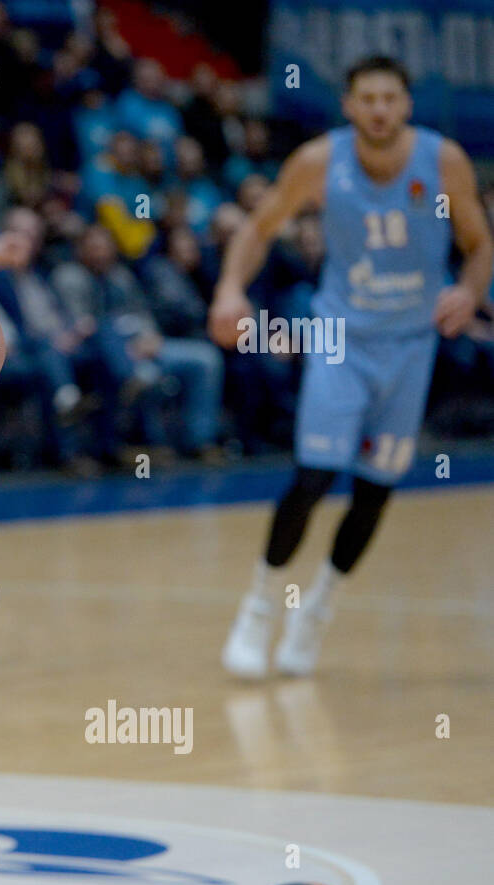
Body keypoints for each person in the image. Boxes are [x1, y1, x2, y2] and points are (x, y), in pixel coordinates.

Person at [210, 55, 492, 677]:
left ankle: (318, 610)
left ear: (407, 105)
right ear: (348, 106)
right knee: (313, 476)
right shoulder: (318, 162)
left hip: (412, 344)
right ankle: (259, 607)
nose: (380, 109)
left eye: (391, 97)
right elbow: (258, 229)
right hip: (340, 336)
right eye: (368, 98)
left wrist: (470, 291)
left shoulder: (443, 162)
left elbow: (479, 245)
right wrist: (231, 289)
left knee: (374, 492)